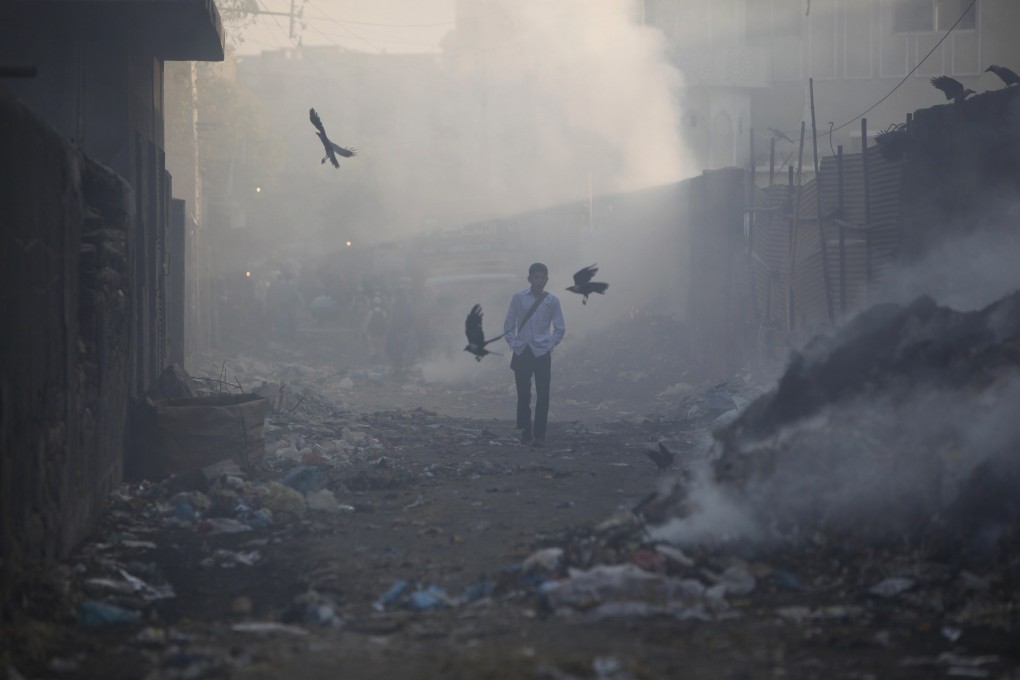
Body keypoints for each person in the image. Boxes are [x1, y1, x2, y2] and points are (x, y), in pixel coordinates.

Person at [503, 262, 566, 447]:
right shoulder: (518, 298)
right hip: (522, 351)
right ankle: (525, 432)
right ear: (529, 279)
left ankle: (540, 435)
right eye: (536, 277)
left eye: (543, 278)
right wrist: (514, 343)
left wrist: (549, 344)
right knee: (523, 394)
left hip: (541, 353)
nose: (540, 281)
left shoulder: (552, 300)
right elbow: (508, 324)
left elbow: (560, 328)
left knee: (543, 394)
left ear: (547, 279)